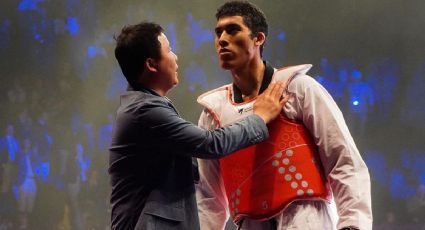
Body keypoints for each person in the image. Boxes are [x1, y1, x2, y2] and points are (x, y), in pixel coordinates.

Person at [195, 1, 372, 230]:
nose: (222, 39)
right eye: (218, 32)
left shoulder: (299, 89)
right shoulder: (213, 113)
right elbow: (208, 197)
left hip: (304, 217)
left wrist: (353, 224)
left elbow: (342, 158)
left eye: (233, 30)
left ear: (258, 38)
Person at [109, 21, 288, 230]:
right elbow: (210, 144)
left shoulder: (144, 107)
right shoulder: (144, 110)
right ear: (151, 64)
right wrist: (259, 117)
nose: (175, 57)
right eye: (169, 50)